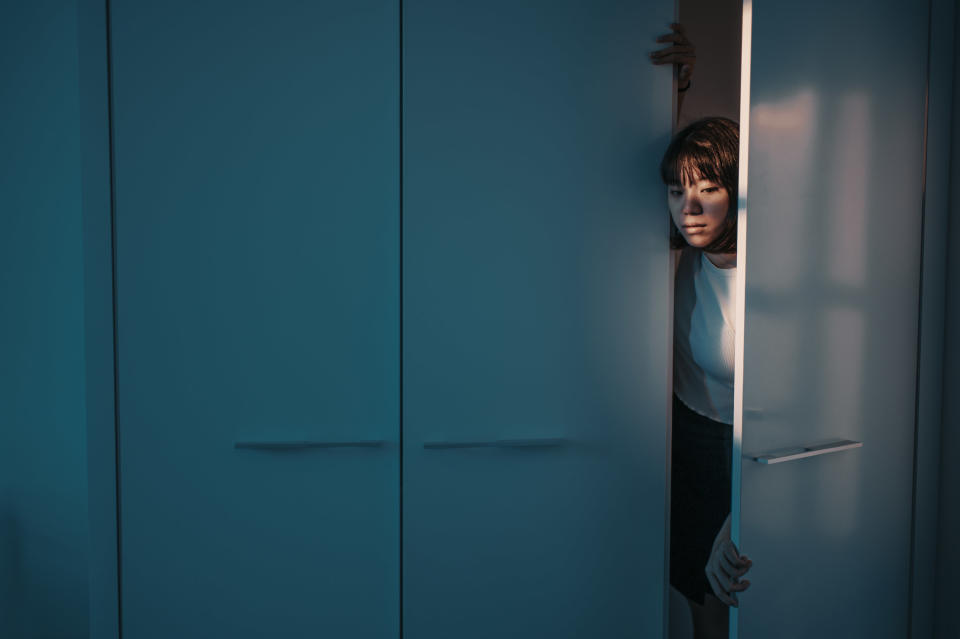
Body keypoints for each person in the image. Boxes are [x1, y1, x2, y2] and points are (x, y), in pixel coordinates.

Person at [652, 26, 753, 639]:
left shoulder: (768, 278)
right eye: (676, 192)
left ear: (738, 194)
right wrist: (673, 82)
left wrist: (739, 512)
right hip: (684, 428)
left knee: (730, 588)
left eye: (709, 191)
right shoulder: (687, 240)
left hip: (744, 447)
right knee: (692, 585)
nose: (688, 206)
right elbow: (677, 162)